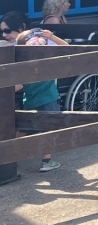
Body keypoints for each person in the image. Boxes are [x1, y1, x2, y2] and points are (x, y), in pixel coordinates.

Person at [15, 27, 69, 173]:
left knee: (24, 129)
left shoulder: (23, 66)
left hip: (30, 101)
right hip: (49, 99)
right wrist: (52, 37)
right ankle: (46, 161)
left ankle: (8, 153)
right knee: (49, 130)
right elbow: (66, 47)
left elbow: (18, 86)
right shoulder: (47, 61)